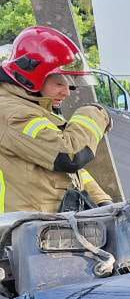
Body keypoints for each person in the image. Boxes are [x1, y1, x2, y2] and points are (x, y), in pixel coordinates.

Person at [0, 26, 112, 213]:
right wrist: (93, 114)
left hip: (45, 227)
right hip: (19, 232)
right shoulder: (13, 115)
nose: (67, 92)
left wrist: (102, 201)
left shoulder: (32, 108)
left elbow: (68, 173)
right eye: (59, 83)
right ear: (31, 79)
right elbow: (69, 155)